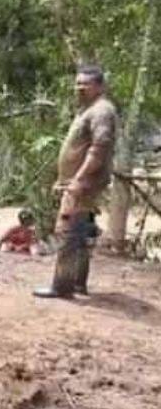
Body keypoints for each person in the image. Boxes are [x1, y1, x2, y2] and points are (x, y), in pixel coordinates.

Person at [34, 65, 119, 298]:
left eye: (86, 84)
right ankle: (77, 282)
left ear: (99, 86)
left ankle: (62, 286)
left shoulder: (101, 111)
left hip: (84, 183)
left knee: (68, 230)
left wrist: (78, 179)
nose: (79, 88)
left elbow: (98, 149)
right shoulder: (88, 109)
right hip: (78, 181)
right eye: (78, 83)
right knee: (79, 231)